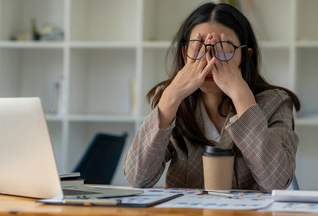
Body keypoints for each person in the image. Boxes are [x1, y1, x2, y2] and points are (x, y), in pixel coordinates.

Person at [124, 2, 300, 192]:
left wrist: (242, 97)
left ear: (245, 56)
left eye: (223, 48)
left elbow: (277, 182)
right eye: (198, 47)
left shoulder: (275, 102)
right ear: (184, 54)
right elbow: (137, 178)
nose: (209, 60)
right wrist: (170, 97)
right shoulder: (172, 101)